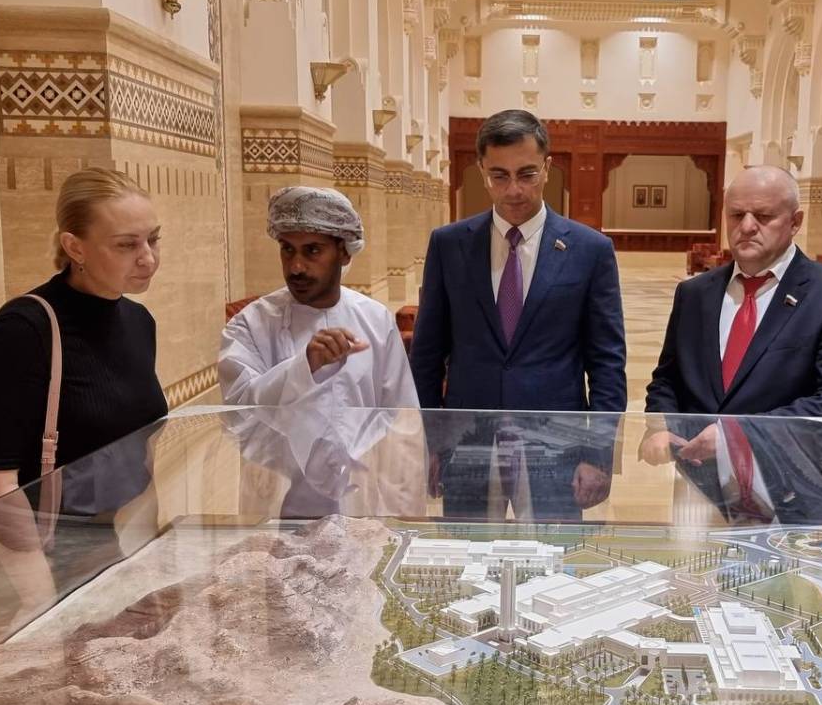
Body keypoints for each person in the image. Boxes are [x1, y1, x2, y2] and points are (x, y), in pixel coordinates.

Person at [0, 167, 167, 604]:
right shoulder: (24, 330)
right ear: (75, 247)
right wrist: (41, 605)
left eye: (153, 239)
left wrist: (147, 560)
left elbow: (138, 451)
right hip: (37, 564)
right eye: (127, 244)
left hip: (113, 551)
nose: (147, 258)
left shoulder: (138, 322)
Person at [410, 109, 626, 518]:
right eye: (499, 175)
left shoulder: (590, 250)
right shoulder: (449, 245)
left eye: (527, 174)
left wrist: (598, 454)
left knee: (552, 556)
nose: (513, 190)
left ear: (547, 167)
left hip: (555, 445)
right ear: (481, 171)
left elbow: (606, 363)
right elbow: (426, 355)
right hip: (468, 445)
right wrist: (431, 443)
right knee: (468, 553)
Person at [640, 165, 822, 525]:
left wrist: (735, 436)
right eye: (736, 215)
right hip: (702, 488)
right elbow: (668, 377)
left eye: (763, 216)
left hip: (795, 490)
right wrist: (660, 425)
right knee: (695, 565)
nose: (747, 226)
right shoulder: (695, 293)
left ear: (795, 222)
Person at [219, 186, 418, 410]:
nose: (296, 267)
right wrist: (304, 366)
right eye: (287, 249)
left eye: (312, 250)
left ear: (344, 252)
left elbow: (402, 413)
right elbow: (238, 411)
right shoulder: (249, 325)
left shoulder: (376, 320)